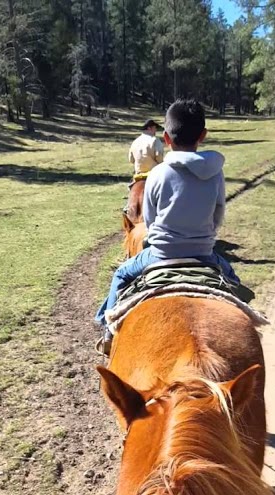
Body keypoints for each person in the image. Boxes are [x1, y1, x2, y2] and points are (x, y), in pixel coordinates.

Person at [96, 99, 241, 354]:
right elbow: (218, 214)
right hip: (204, 253)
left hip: (160, 254)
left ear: (165, 137)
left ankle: (108, 331)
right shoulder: (216, 172)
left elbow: (150, 221)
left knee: (121, 274)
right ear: (203, 136)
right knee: (234, 281)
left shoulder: (157, 174)